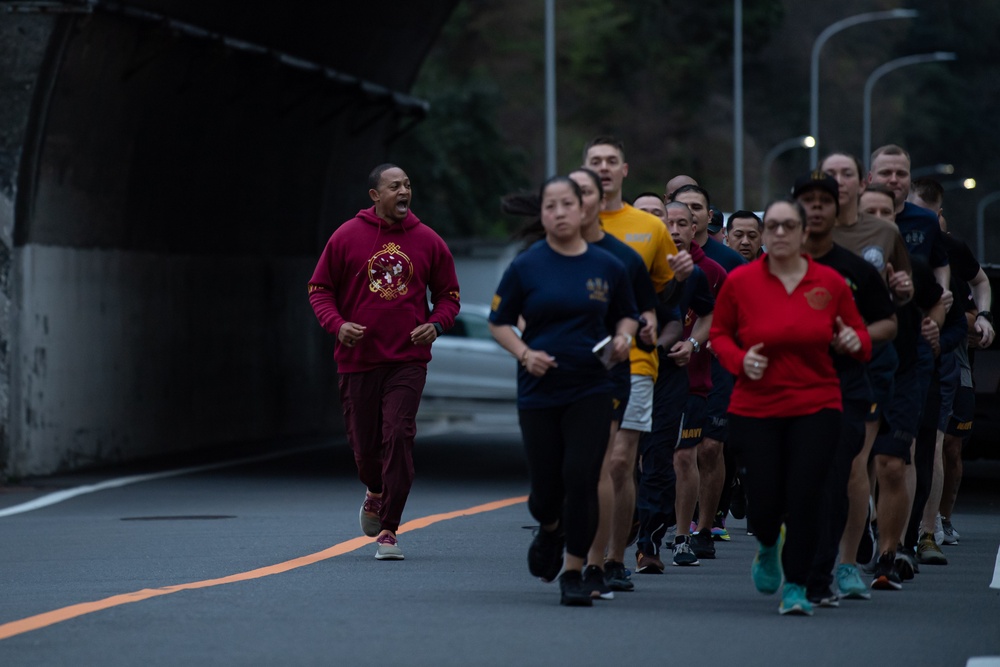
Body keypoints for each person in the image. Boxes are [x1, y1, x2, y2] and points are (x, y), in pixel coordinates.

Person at [710, 198, 872, 616]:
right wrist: (740, 359)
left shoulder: (829, 282)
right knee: (764, 500)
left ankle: (796, 586)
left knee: (806, 497)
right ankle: (767, 543)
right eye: (773, 227)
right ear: (764, 237)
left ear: (804, 234)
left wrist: (854, 342)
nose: (779, 233)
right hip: (755, 405)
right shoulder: (741, 282)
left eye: (788, 226)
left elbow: (859, 334)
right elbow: (720, 335)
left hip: (816, 404)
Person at [489, 174, 639, 607]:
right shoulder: (526, 266)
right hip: (539, 389)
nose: (559, 213)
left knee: (582, 479)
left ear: (582, 209)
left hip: (591, 387)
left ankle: (574, 571)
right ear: (543, 214)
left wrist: (625, 337)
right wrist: (524, 353)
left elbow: (627, 314)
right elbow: (499, 322)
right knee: (545, 491)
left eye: (566, 204)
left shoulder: (608, 265)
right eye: (550, 206)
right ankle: (550, 528)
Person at [308, 164, 461, 561]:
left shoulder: (429, 241)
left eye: (408, 184)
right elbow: (319, 290)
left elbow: (449, 296)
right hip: (358, 360)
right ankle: (374, 491)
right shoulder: (346, 236)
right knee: (365, 449)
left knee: (399, 433)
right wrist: (337, 325)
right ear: (375, 196)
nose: (404, 191)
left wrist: (436, 324)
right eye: (395, 186)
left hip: (407, 360)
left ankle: (390, 529)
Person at [583, 136, 691, 592]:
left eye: (611, 161)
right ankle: (589, 557)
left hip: (636, 361)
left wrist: (679, 279)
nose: (604, 168)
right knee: (593, 463)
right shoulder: (570, 219)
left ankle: (612, 558)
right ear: (584, 170)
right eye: (595, 162)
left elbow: (664, 297)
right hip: (581, 360)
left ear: (624, 170)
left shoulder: (648, 228)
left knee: (622, 462)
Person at [793, 171, 897, 605]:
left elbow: (888, 320)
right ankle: (777, 543)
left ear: (838, 209)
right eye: (807, 200)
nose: (816, 208)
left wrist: (861, 337)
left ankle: (820, 577)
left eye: (825, 200)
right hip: (787, 387)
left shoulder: (854, 269)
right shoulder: (775, 266)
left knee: (835, 478)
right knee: (786, 485)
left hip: (844, 387)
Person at [571, 168, 660, 599]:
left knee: (616, 463)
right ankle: (560, 534)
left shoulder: (623, 255)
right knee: (569, 469)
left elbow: (648, 306)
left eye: (584, 193)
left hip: (621, 370)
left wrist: (635, 332)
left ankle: (606, 561)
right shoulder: (541, 253)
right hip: (557, 374)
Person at [661, 201, 721, 565]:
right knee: (645, 460)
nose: (675, 230)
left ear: (694, 226)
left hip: (693, 380)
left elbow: (721, 314)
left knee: (685, 457)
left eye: (682, 223)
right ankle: (645, 529)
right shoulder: (645, 266)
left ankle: (684, 535)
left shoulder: (710, 270)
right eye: (668, 223)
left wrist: (697, 342)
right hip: (647, 378)